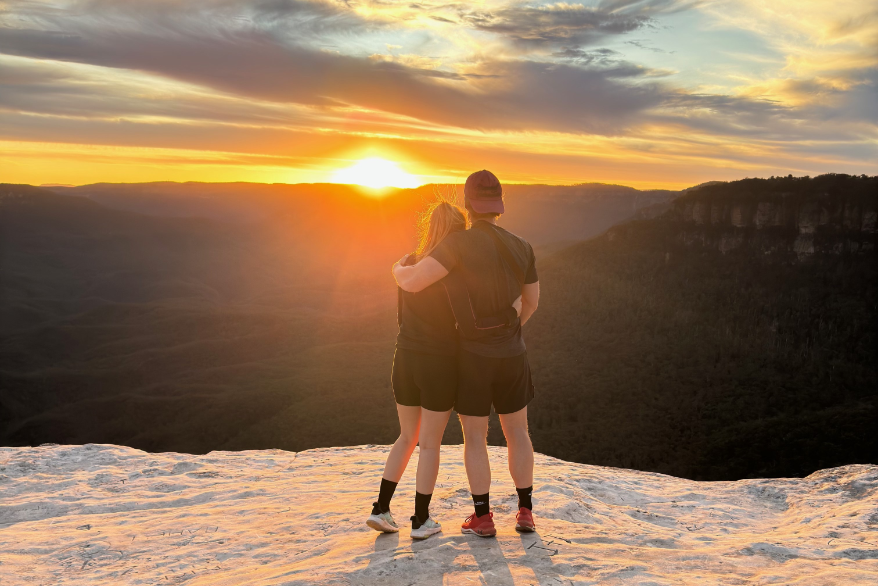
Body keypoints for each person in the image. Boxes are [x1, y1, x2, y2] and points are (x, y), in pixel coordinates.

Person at [393, 170, 540, 538]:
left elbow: (413, 282)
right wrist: (507, 330)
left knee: (475, 436)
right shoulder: (522, 245)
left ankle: (483, 517)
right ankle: (525, 512)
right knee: (518, 431)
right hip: (513, 353)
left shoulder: (457, 244)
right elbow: (532, 303)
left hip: (473, 359)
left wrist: (397, 268)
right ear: (499, 203)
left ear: (468, 203)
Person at [367, 199, 519, 540]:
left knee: (407, 437)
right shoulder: (453, 272)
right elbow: (468, 325)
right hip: (439, 363)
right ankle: (421, 520)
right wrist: (511, 314)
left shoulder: (409, 264)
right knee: (430, 444)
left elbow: (400, 316)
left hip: (404, 357)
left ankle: (381, 508)